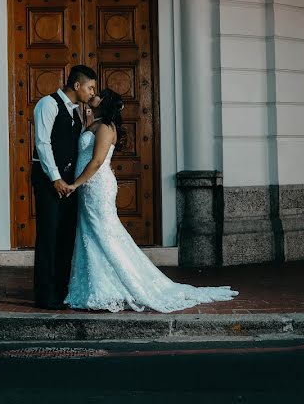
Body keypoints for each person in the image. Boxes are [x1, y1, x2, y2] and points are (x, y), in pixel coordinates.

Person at [63, 88, 239, 313]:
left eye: (98, 95)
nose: (93, 96)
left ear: (104, 103)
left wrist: (76, 184)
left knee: (105, 234)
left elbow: (97, 161)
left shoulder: (106, 128)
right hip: (88, 188)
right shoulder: (95, 123)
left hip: (96, 187)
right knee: (91, 234)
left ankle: (125, 285)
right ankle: (97, 287)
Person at [31, 65, 97, 310]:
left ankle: (61, 291)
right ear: (77, 85)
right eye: (90, 87)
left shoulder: (77, 111)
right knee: (49, 236)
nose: (92, 92)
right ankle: (45, 296)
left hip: (69, 183)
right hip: (50, 181)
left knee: (66, 237)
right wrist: (55, 178)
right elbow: (42, 142)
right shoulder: (47, 104)